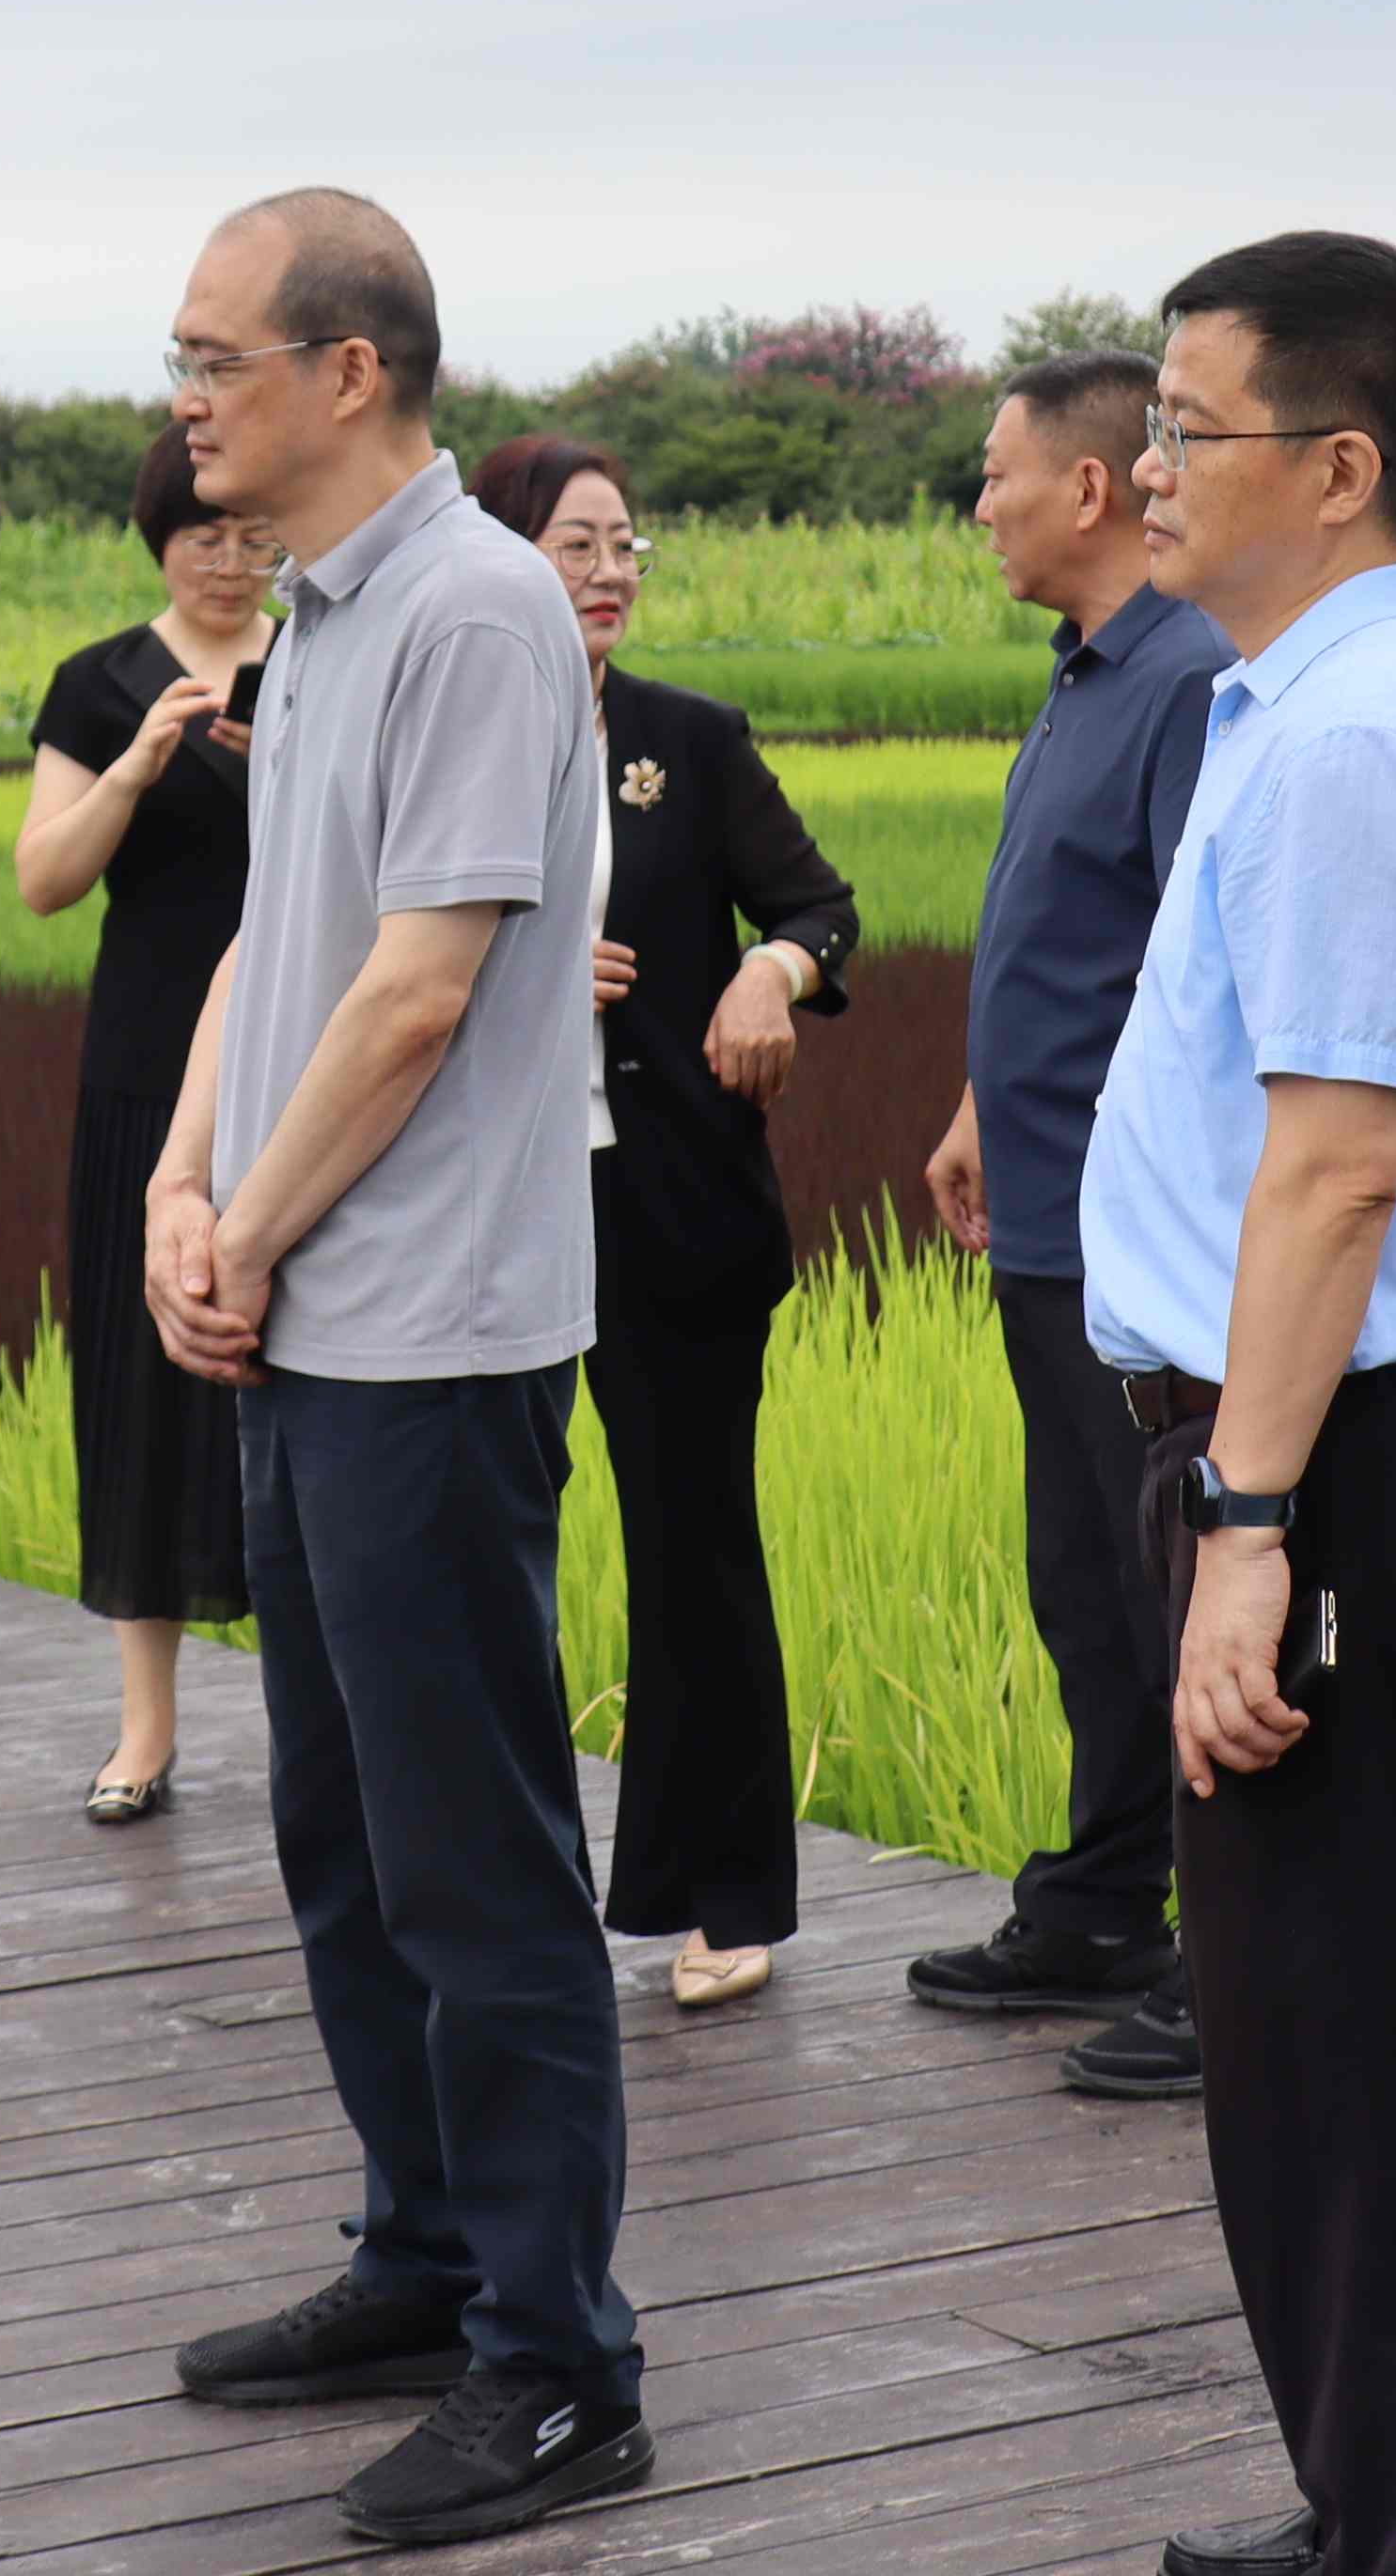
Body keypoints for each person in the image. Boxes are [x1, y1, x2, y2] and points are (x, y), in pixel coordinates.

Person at [146, 187, 649, 2551]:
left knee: (475, 1860)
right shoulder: (321, 611)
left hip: (424, 1334)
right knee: (343, 1837)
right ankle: (425, 2253)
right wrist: (185, 1185)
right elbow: (278, 945)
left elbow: (423, 986)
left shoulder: (470, 608)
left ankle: (558, 2360)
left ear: (348, 369)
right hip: (302, 1314)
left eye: (214, 355)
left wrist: (244, 1231)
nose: (185, 399)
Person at [1087, 234, 1396, 2576]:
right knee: (1391, 2011)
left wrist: (1247, 1523)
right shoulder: (1319, 697)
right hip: (1355, 1452)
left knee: (1340, 2051)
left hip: (1333, 1468)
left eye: (1191, 427)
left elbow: (1339, 1158)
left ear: (1342, 463)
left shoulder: (1356, 737)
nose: (1145, 467)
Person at [464, 430, 858, 2012]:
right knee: (478, 1549)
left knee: (694, 1547)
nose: (610, 570)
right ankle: (497, 1891)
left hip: (667, 1203)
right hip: (484, 1201)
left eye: (625, 544)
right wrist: (524, 972)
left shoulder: (686, 741)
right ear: (503, 560)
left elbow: (821, 906)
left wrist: (771, 970)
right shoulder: (445, 734)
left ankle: (726, 1892)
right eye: (578, 544)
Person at [902, 349, 1229, 2109]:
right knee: (1086, 1588)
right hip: (1040, 1219)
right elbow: (1069, 935)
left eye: (997, 472)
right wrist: (979, 1102)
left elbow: (1191, 975)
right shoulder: (1091, 671)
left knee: (1169, 1595)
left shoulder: (1182, 680)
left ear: (1088, 488)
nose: (982, 504)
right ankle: (1103, 1903)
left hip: (1134, 1245)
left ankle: (1226, 1960)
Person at [14, 423, 270, 1817]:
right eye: (200, 538)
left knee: (298, 1379)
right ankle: (146, 1730)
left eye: (250, 536)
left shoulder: (322, 661)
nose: (228, 562)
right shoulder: (102, 682)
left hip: (304, 1068)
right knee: (141, 1386)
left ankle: (322, 1723)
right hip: (144, 1072)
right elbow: (43, 880)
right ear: (159, 542)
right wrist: (137, 763)